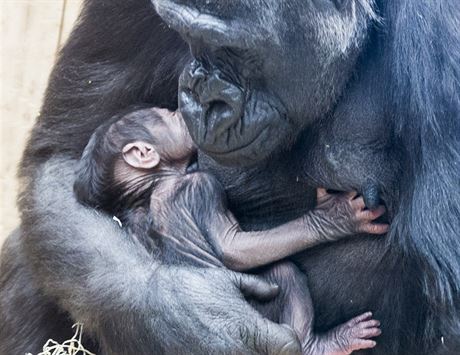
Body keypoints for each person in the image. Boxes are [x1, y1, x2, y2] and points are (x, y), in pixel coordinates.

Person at [74, 107, 388, 354]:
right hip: (240, 321)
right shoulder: (191, 187)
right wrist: (323, 224)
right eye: (170, 116)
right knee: (283, 275)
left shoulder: (133, 231)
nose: (184, 112)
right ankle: (309, 346)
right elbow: (233, 250)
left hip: (191, 338)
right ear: (143, 154)